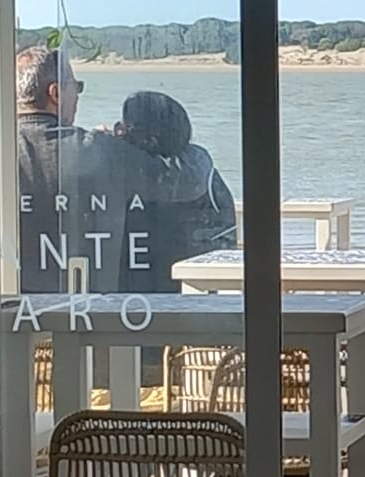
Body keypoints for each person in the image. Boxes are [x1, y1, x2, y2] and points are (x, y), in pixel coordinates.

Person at [12, 45, 220, 294]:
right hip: (87, 313)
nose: (77, 97)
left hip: (11, 314)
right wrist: (196, 151)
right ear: (55, 93)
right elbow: (184, 181)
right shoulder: (94, 150)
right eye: (75, 88)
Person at [114, 90, 237, 293]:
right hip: (193, 292)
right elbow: (225, 235)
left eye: (123, 126)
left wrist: (102, 145)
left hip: (124, 296)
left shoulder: (116, 168)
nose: (118, 130)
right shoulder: (202, 171)